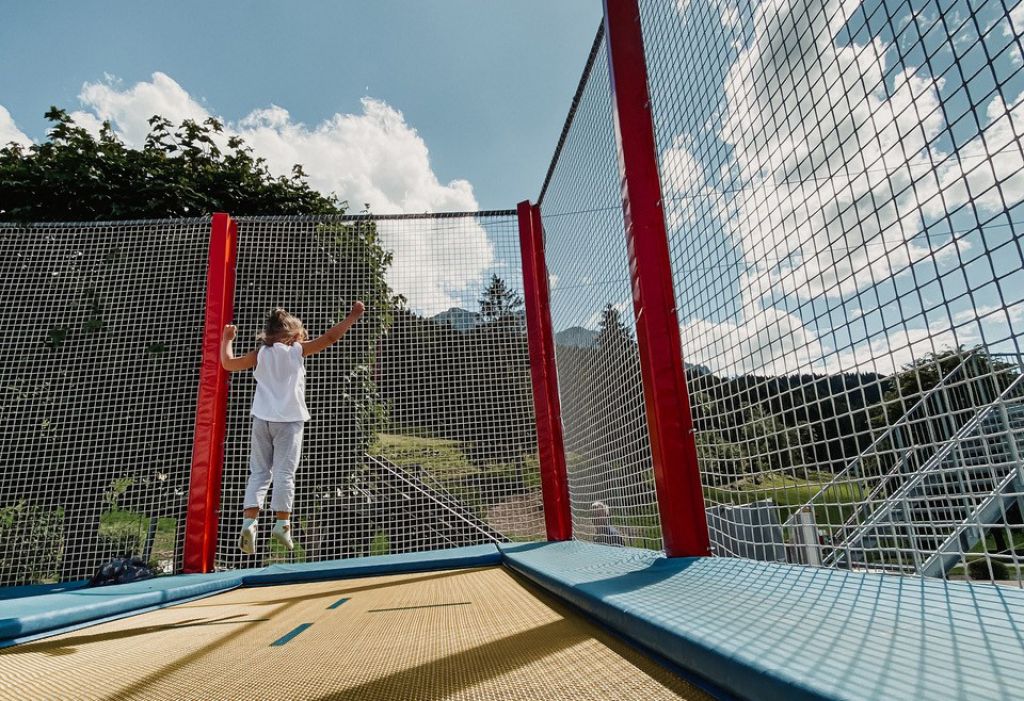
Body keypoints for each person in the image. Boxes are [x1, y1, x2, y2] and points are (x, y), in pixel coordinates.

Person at [221, 303, 365, 554]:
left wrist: (227, 339)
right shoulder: (296, 351)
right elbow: (331, 337)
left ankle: (250, 521)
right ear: (295, 335)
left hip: (261, 420)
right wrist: (352, 316)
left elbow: (228, 364)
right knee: (284, 473)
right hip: (289, 421)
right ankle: (282, 524)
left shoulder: (260, 353)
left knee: (259, 472)